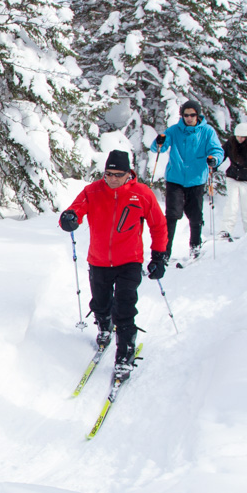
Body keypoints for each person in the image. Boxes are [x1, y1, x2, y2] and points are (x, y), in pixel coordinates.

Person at [58, 149, 169, 376]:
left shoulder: (142, 194)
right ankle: (104, 324)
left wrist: (158, 256)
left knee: (125, 308)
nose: (113, 179)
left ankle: (125, 353)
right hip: (99, 260)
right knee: (100, 303)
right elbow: (75, 211)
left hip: (130, 260)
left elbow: (158, 226)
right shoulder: (93, 191)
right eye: (109, 174)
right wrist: (68, 218)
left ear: (129, 173)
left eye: (119, 174)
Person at [150, 101, 225, 259]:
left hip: (196, 179)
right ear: (182, 115)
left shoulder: (207, 131)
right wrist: (159, 142)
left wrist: (214, 159)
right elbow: (159, 147)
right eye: (186, 115)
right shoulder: (175, 130)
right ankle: (165, 252)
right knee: (172, 215)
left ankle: (195, 247)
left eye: (192, 115)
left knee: (195, 215)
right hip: (175, 178)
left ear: (197, 115)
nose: (189, 118)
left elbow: (217, 150)